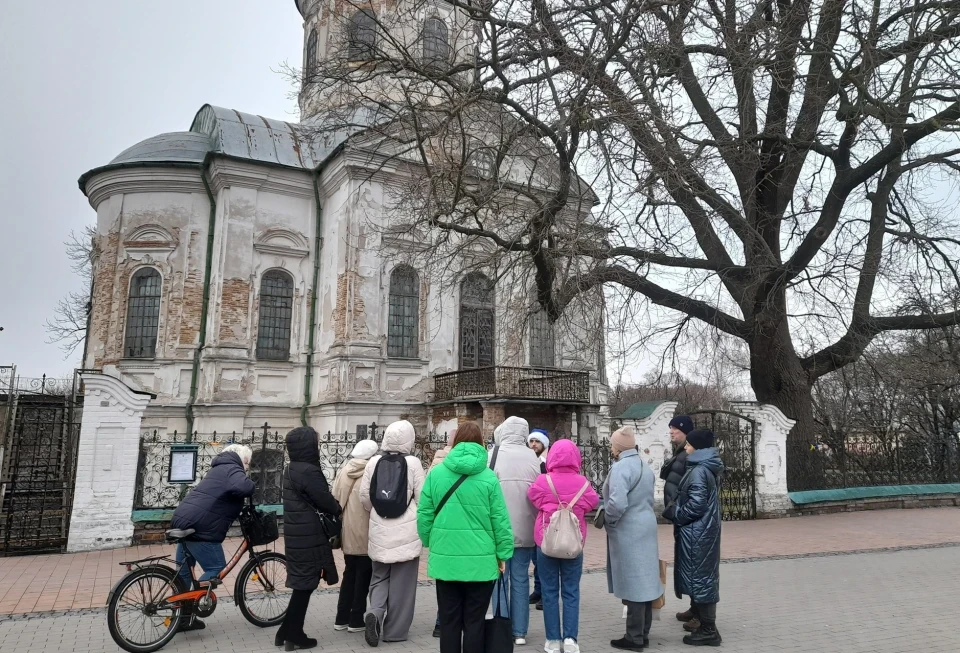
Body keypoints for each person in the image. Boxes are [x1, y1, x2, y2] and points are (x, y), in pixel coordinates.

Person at [417, 421, 514, 653]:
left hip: (446, 559)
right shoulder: (489, 478)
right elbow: (500, 521)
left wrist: (430, 540)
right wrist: (503, 553)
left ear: (455, 441)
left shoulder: (437, 473)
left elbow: (423, 514)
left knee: (449, 622)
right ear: (481, 442)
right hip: (480, 563)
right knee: (475, 622)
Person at [169, 443, 255, 631]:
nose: (247, 468)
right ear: (242, 459)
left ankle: (182, 619)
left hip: (184, 520)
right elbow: (244, 487)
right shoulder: (233, 468)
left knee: (183, 574)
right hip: (201, 528)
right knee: (216, 567)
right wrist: (252, 482)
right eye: (247, 463)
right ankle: (190, 607)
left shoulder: (220, 468)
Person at [528, 438, 600, 653]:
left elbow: (532, 498)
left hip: (547, 542)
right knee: (571, 592)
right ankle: (571, 640)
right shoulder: (583, 483)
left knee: (549, 592)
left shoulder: (543, 481)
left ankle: (552, 640)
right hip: (573, 544)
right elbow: (592, 502)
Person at [359, 420, 426, 647]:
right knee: (402, 584)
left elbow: (364, 497)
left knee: (379, 577)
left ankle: (375, 612)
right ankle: (394, 632)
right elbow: (422, 498)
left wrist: (377, 512)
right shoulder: (413, 463)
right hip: (407, 531)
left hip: (379, 529)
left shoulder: (374, 462)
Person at [278, 426, 342, 650]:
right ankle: (295, 636)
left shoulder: (290, 468)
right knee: (305, 586)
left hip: (297, 535)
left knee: (301, 584)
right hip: (310, 536)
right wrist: (337, 507)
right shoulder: (308, 471)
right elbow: (325, 501)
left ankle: (284, 631)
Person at [663, 429, 724, 647]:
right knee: (702, 577)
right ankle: (703, 622)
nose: (686, 448)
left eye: (689, 444)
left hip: (697, 532)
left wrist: (678, 515)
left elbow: (697, 504)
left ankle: (709, 630)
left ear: (697, 447)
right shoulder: (705, 466)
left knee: (702, 579)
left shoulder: (699, 470)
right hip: (702, 531)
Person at [604, 428, 662, 651]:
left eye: (612, 445)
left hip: (629, 529)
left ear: (618, 447)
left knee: (635, 582)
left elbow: (617, 504)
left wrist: (608, 519)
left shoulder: (621, 468)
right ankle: (643, 633)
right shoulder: (644, 466)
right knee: (646, 580)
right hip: (646, 526)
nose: (611, 448)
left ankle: (634, 637)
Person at [489, 417, 541, 645]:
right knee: (521, 580)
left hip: (498, 530)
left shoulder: (494, 454)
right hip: (527, 528)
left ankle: (501, 626)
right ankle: (519, 632)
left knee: (499, 578)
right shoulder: (532, 456)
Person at [332, 439, 379, 633]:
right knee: (364, 576)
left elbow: (334, 499)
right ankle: (356, 619)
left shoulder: (343, 471)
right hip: (367, 532)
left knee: (349, 573)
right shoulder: (371, 471)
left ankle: (341, 617)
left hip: (347, 532)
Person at [660, 415, 698, 632]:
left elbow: (689, 488)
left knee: (694, 565)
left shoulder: (689, 455)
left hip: (686, 518)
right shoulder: (681, 453)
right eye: (670, 428)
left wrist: (679, 512)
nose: (671, 432)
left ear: (685, 431)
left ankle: (700, 613)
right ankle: (694, 607)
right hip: (680, 518)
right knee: (687, 564)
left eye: (675, 429)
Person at [430, 428, 457, 638]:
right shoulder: (481, 468)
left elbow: (425, 502)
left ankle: (442, 624)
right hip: (471, 537)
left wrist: (427, 535)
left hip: (442, 531)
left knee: (446, 583)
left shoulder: (437, 463)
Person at [528, 430, 550, 609]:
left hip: (544, 517)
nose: (533, 444)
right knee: (534, 557)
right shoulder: (529, 462)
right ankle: (537, 589)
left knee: (543, 558)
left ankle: (545, 593)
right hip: (530, 516)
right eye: (531, 441)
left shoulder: (548, 464)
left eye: (537, 441)